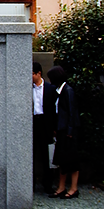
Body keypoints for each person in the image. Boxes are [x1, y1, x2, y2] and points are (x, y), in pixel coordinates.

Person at [47, 65, 80, 199]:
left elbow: (72, 111)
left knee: (71, 159)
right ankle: (61, 187)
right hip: (61, 129)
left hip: (68, 130)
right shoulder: (59, 91)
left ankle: (73, 188)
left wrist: (70, 130)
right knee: (61, 159)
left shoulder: (68, 90)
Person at [32, 61, 57, 194]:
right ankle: (31, 184)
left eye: (31, 74)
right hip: (32, 123)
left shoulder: (50, 89)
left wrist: (54, 127)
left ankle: (48, 184)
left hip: (45, 123)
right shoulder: (27, 89)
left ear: (38, 74)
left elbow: (54, 109)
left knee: (46, 154)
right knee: (32, 153)